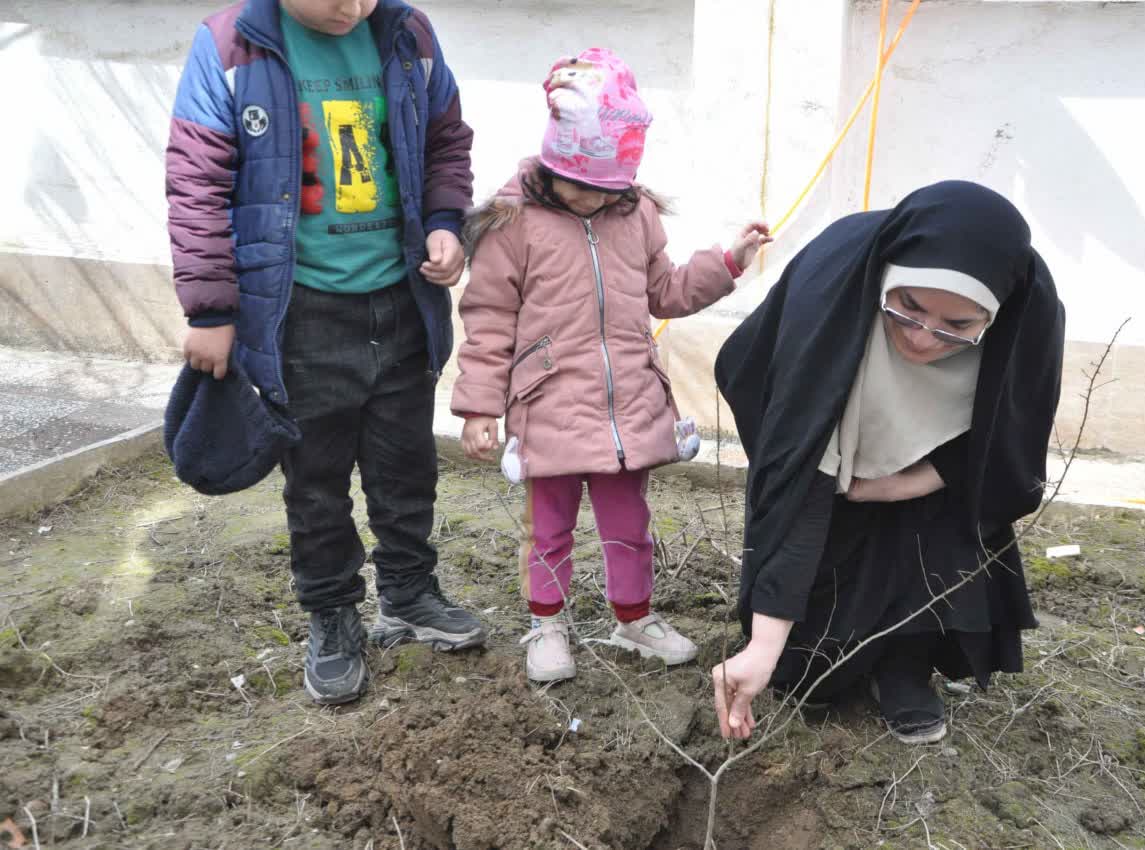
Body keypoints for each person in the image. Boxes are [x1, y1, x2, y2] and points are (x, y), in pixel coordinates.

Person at [166, 0, 486, 706]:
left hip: (401, 300)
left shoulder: (408, 34)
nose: (355, 5)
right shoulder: (232, 48)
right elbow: (196, 183)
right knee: (315, 481)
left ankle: (407, 593)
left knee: (407, 464)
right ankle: (332, 616)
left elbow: (445, 142)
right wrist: (212, 308)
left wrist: (443, 224)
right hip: (299, 311)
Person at [452, 48, 771, 683]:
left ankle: (634, 619)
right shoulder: (512, 222)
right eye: (582, 188)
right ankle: (547, 624)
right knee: (550, 528)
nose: (595, 201)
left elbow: (669, 292)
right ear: (554, 162)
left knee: (631, 524)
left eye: (609, 190)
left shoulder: (636, 214)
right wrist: (479, 406)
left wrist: (728, 262)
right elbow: (487, 317)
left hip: (629, 402)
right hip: (549, 404)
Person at [711, 181, 1065, 744]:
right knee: (806, 676)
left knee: (945, 525)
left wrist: (905, 485)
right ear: (886, 279)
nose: (923, 341)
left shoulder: (1025, 318)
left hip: (931, 485)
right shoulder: (833, 306)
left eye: (959, 326)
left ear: (993, 319)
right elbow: (803, 486)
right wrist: (763, 644)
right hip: (828, 457)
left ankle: (904, 663)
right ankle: (807, 645)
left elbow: (1002, 446)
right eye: (909, 308)